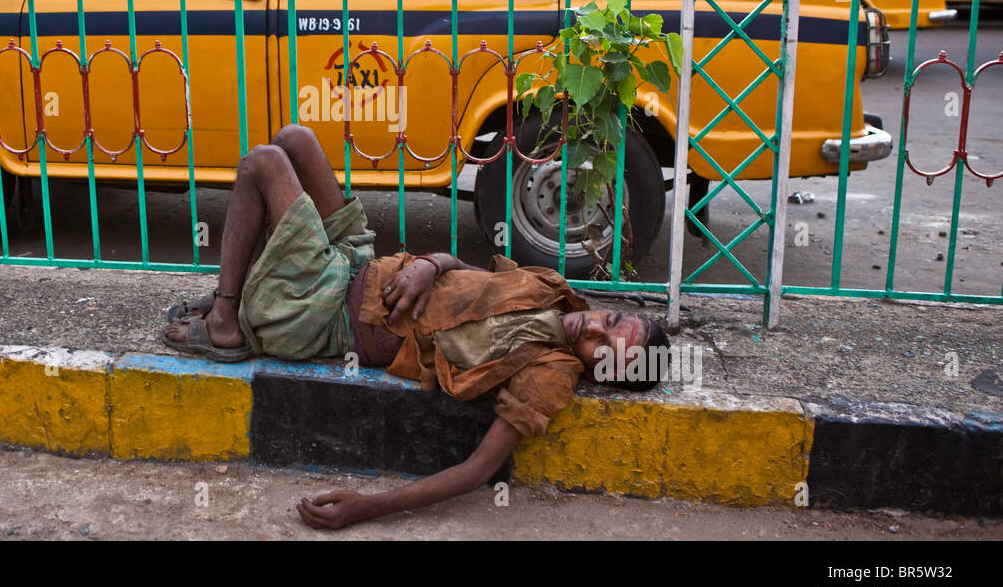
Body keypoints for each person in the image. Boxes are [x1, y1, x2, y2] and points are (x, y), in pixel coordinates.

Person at [162, 123, 670, 529]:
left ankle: (227, 320)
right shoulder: (551, 288)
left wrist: (369, 506)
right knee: (295, 139)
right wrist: (429, 264)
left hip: (327, 311)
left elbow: (476, 471)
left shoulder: (549, 372)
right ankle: (244, 290)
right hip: (357, 262)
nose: (593, 329)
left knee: (263, 163)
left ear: (594, 372)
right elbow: (464, 271)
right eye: (612, 320)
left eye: (600, 348)